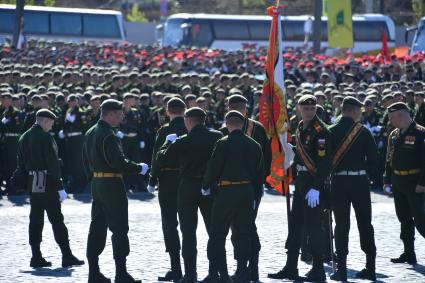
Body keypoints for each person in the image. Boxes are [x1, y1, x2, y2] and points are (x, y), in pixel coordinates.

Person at [83, 99, 149, 283]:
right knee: (119, 228)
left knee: (96, 227)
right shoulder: (108, 135)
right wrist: (139, 168)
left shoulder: (90, 132)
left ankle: (93, 273)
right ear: (110, 114)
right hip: (112, 184)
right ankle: (121, 273)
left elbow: (85, 161)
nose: (122, 117)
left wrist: (94, 179)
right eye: (119, 113)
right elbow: (118, 163)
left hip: (97, 182)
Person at [268, 94, 332, 282]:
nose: (309, 111)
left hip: (313, 183)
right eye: (305, 108)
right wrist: (290, 151)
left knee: (313, 227)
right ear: (299, 108)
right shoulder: (301, 126)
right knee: (295, 226)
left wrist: (317, 187)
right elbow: (302, 154)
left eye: (312, 109)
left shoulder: (321, 130)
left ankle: (318, 269)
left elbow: (325, 162)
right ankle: (290, 267)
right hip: (303, 181)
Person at [156, 107, 223, 283]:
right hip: (209, 187)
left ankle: (190, 274)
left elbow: (162, 158)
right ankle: (215, 273)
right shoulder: (216, 137)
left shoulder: (182, 140)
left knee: (188, 232)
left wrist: (167, 143)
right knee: (213, 231)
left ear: (189, 121)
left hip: (188, 186)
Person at [16, 109, 84, 268]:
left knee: (35, 219)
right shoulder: (45, 137)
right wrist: (60, 186)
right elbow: (53, 164)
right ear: (45, 121)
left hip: (32, 181)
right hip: (46, 182)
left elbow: (20, 161)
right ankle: (66, 255)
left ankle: (36, 256)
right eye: (51, 123)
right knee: (57, 220)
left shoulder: (24, 136)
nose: (51, 127)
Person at [204, 110, 265, 283]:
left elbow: (214, 168)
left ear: (227, 124)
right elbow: (259, 174)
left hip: (226, 192)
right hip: (247, 191)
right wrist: (254, 194)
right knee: (243, 233)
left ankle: (214, 273)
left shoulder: (222, 143)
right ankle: (242, 271)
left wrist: (206, 185)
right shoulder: (254, 145)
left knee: (217, 233)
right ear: (243, 124)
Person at [220, 94, 271, 281]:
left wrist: (259, 183)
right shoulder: (226, 128)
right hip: (240, 187)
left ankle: (250, 267)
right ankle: (247, 267)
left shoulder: (256, 129)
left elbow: (266, 157)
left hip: (248, 188)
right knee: (242, 227)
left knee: (244, 227)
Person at [329, 96, 378, 281]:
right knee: (365, 223)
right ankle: (370, 268)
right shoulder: (364, 132)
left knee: (341, 225)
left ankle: (341, 271)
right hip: (359, 183)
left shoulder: (330, 131)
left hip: (338, 183)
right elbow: (374, 163)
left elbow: (324, 160)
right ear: (355, 111)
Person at [148, 98, 188, 282]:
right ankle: (191, 269)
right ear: (184, 110)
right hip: (188, 180)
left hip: (167, 182)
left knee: (170, 225)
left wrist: (152, 179)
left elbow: (157, 158)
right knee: (189, 226)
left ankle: (176, 269)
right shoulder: (190, 128)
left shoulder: (164, 130)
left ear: (167, 111)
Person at [384, 102, 425, 266]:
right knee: (404, 219)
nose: (392, 121)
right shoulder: (394, 134)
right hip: (398, 182)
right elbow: (389, 159)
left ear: (402, 115)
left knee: (421, 220)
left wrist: (423, 183)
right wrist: (387, 180)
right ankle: (409, 253)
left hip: (416, 183)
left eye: (393, 117)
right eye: (390, 118)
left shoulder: (420, 133)